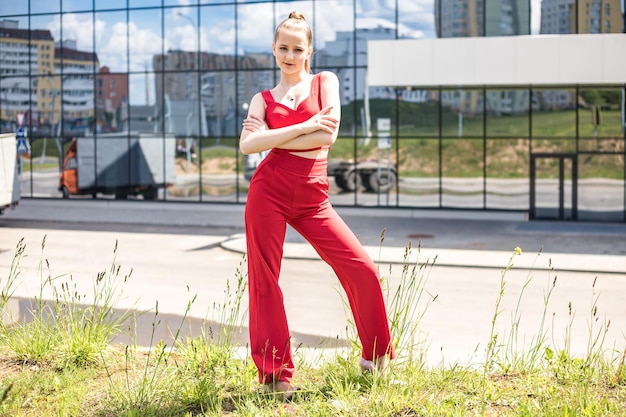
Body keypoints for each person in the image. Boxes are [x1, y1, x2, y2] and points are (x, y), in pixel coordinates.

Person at [239, 11, 395, 398]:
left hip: (314, 198)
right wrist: (305, 126)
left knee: (362, 268)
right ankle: (277, 376)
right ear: (274, 50)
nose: (290, 55)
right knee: (264, 282)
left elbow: (327, 138)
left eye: (298, 48)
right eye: (283, 47)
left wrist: (273, 136)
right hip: (268, 192)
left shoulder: (325, 82)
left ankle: (374, 358)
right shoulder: (262, 99)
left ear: (309, 51)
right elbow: (246, 146)